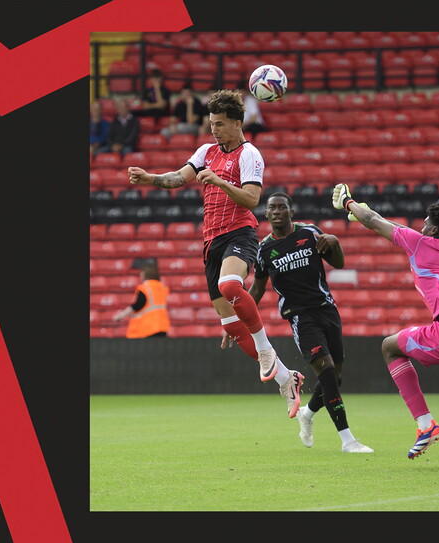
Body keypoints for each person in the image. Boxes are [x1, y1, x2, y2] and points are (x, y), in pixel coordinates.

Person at [126, 89, 303, 417]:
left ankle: (266, 349)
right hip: (211, 242)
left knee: (230, 285)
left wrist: (220, 182)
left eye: (220, 124)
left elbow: (251, 200)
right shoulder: (206, 151)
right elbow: (179, 177)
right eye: (211, 123)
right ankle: (286, 378)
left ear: (238, 124)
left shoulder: (250, 154)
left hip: (240, 231)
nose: (214, 130)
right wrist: (150, 177)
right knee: (233, 327)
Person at [330, 183, 439, 468]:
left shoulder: (420, 242)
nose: (420, 227)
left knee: (390, 347)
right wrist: (363, 212)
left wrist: (350, 203)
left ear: (433, 231)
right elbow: (383, 221)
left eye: (425, 224)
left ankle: (426, 424)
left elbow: (376, 223)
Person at [238, 192, 373, 453]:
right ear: (266, 214)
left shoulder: (310, 233)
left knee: (336, 377)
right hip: (300, 317)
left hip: (327, 310)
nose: (276, 211)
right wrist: (238, 320)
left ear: (291, 211)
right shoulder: (264, 250)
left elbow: (339, 262)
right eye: (272, 208)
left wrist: (334, 242)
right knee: (328, 373)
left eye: (282, 207)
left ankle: (307, 414)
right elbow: (256, 289)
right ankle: (348, 441)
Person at [112, 262, 171, 338]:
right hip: (163, 326)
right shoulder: (162, 288)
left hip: (149, 327)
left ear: (143, 274)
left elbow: (137, 305)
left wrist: (120, 315)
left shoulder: (145, 288)